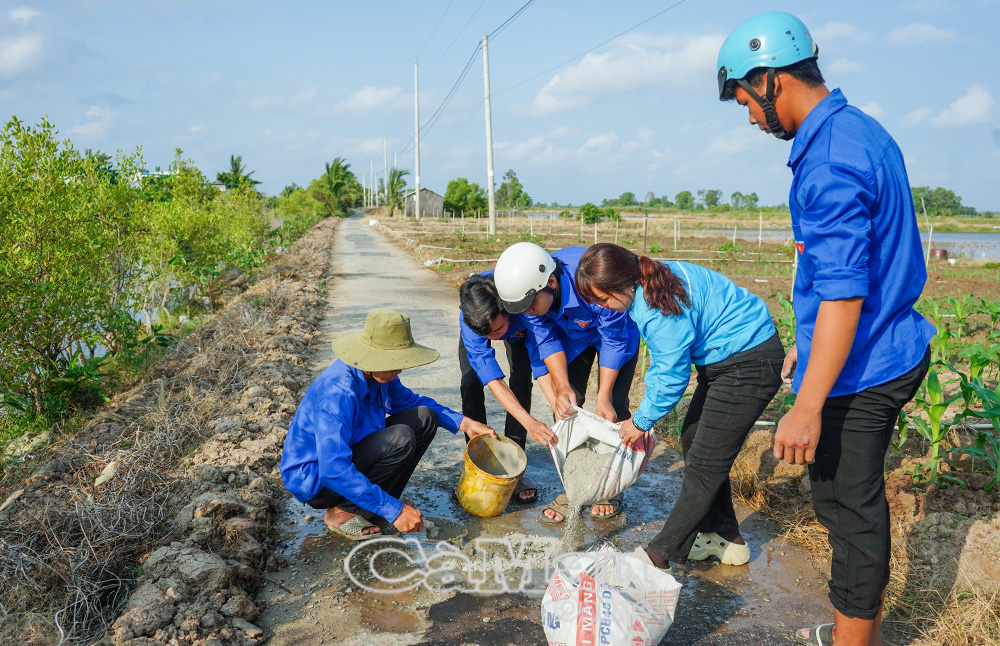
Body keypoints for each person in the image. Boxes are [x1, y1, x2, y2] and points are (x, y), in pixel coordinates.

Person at [718, 12, 935, 646]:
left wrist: (808, 404)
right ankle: (848, 630)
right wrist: (807, 355)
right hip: (865, 348)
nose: (752, 120)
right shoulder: (855, 132)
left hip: (868, 365)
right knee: (838, 498)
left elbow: (845, 294)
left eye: (746, 103)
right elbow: (837, 276)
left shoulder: (829, 163)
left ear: (771, 80)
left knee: (849, 508)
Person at [575, 243, 784, 571]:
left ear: (622, 284)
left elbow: (672, 376)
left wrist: (640, 421)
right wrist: (645, 412)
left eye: (603, 299)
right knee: (693, 438)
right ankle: (726, 536)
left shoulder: (656, 305)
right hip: (725, 359)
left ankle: (659, 555)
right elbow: (661, 362)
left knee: (704, 462)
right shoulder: (652, 277)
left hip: (750, 360)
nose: (603, 308)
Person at [280, 308, 496, 541]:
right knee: (400, 438)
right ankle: (343, 512)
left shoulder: (378, 374)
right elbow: (333, 468)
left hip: (350, 456)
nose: (399, 370)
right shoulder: (338, 393)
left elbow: (411, 402)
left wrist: (463, 422)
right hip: (319, 479)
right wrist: (395, 510)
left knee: (425, 417)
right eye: (393, 364)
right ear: (370, 357)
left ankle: (374, 503)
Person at [493, 242, 640, 524]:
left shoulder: (594, 283)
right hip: (573, 335)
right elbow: (545, 338)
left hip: (617, 335)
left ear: (550, 282)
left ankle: (608, 488)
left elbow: (613, 339)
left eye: (530, 305)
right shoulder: (531, 298)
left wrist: (604, 396)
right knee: (568, 407)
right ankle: (575, 486)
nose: (528, 312)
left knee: (614, 409)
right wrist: (561, 387)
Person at [459, 273, 559, 504]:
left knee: (521, 381)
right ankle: (477, 461)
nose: (493, 338)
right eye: (487, 335)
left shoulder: (521, 306)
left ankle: (514, 466)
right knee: (470, 383)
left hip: (517, 322)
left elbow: (539, 360)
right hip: (488, 320)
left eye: (497, 330)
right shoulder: (471, 321)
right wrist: (530, 422)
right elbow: (491, 376)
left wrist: (548, 408)